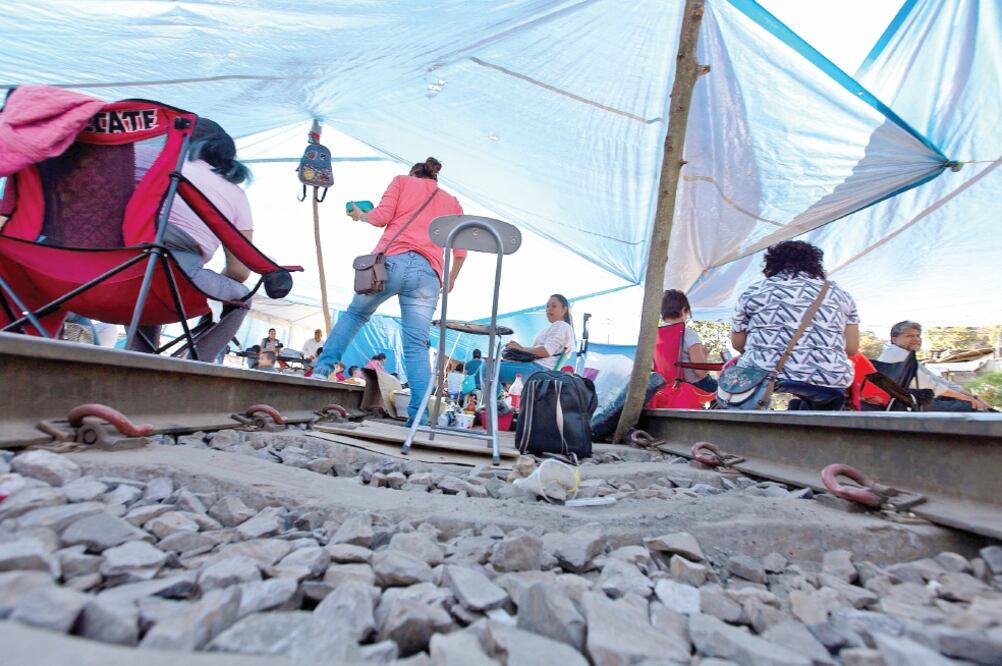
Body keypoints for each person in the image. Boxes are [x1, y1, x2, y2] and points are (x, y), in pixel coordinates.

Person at [311, 157, 465, 424]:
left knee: (356, 315)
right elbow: (460, 252)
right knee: (416, 345)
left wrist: (360, 215)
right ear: (434, 178)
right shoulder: (453, 203)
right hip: (428, 276)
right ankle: (418, 416)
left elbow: (380, 217)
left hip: (390, 264)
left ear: (413, 174)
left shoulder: (401, 182)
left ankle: (320, 371)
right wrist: (450, 278)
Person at [131, 118, 255, 362]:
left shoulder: (143, 158)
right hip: (174, 280)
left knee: (151, 273)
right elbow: (239, 271)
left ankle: (141, 358)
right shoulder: (235, 194)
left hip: (108, 270)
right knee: (242, 296)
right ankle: (195, 364)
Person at [730, 240, 859, 410]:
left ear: (771, 264)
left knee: (738, 397)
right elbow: (851, 348)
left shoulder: (754, 292)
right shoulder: (840, 295)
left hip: (764, 376)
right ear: (815, 265)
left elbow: (738, 344)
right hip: (828, 380)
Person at [879, 321, 991, 411]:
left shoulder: (907, 355)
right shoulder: (894, 354)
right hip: (909, 404)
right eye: (909, 336)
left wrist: (974, 398)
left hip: (922, 400)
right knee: (974, 410)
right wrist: (971, 400)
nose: (916, 339)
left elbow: (939, 380)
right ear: (894, 340)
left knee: (982, 408)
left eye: (918, 336)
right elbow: (931, 386)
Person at [500, 294, 575, 385]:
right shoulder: (561, 327)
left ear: (564, 309)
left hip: (537, 370)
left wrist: (520, 348)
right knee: (494, 369)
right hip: (540, 370)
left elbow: (547, 351)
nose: (549, 309)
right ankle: (494, 396)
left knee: (488, 368)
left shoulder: (561, 326)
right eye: (547, 306)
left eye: (554, 306)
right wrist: (520, 348)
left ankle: (490, 398)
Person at [659, 289, 717, 393]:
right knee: (725, 389)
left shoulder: (656, 336)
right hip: (694, 386)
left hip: (667, 388)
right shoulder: (688, 334)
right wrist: (704, 355)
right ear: (683, 310)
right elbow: (701, 373)